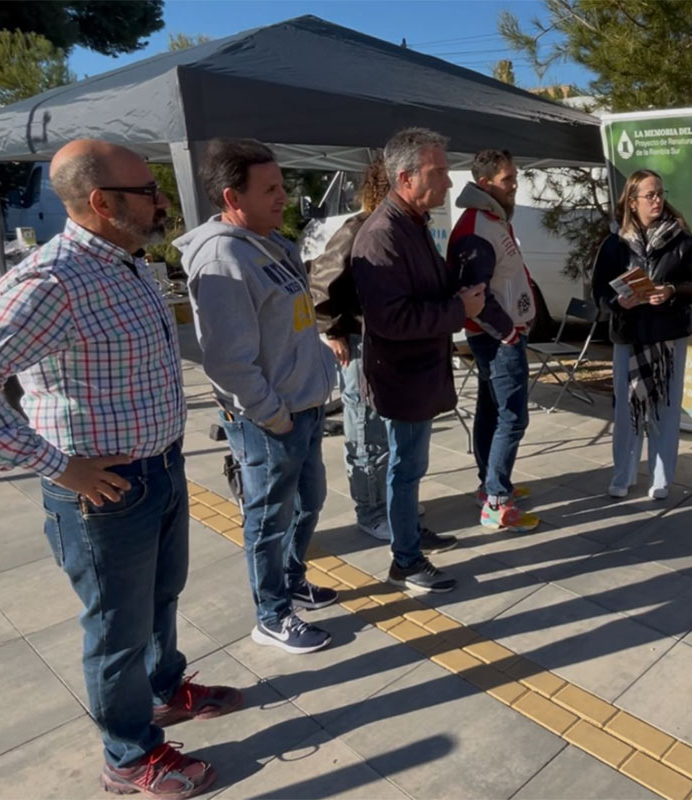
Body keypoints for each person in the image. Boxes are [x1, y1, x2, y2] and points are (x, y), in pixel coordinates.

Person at [0, 139, 240, 798]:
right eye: (148, 191)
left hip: (158, 469)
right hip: (105, 494)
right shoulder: (55, 281)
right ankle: (129, 756)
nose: (161, 200)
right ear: (102, 201)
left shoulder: (128, 262)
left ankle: (165, 689)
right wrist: (54, 465)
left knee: (159, 602)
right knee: (116, 631)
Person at [177, 138, 340, 655]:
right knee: (269, 517)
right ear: (232, 197)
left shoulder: (274, 244)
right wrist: (271, 415)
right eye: (270, 189)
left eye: (282, 185)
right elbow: (227, 360)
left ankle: (291, 580)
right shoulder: (224, 257)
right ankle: (271, 615)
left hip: (304, 406)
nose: (284, 197)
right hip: (270, 419)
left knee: (308, 501)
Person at [352, 127, 486, 593]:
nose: (449, 183)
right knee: (405, 467)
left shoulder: (411, 223)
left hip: (417, 373)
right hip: (401, 378)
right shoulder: (382, 234)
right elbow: (391, 319)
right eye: (439, 172)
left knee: (411, 467)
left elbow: (423, 289)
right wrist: (459, 311)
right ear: (406, 178)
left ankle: (408, 533)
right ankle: (405, 560)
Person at [592, 169, 692, 500]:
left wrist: (670, 291)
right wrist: (618, 300)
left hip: (667, 336)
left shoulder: (682, 240)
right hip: (629, 335)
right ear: (632, 201)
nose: (657, 200)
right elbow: (599, 291)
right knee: (627, 409)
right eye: (650, 195)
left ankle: (660, 478)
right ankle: (622, 475)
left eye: (660, 193)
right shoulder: (614, 245)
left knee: (664, 410)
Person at [448, 148, 540, 531]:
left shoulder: (492, 219)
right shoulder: (476, 227)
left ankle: (491, 487)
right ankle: (496, 502)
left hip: (500, 336)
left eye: (515, 177)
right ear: (485, 184)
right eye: (508, 179)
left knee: (492, 411)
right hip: (495, 339)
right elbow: (474, 291)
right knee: (512, 417)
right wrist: (507, 332)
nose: (514, 185)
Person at [309, 156, 394, 542]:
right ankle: (371, 509)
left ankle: (385, 498)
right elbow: (321, 283)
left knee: (385, 429)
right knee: (365, 431)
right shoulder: (359, 228)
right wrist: (332, 331)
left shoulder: (397, 227)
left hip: (386, 345)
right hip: (360, 344)